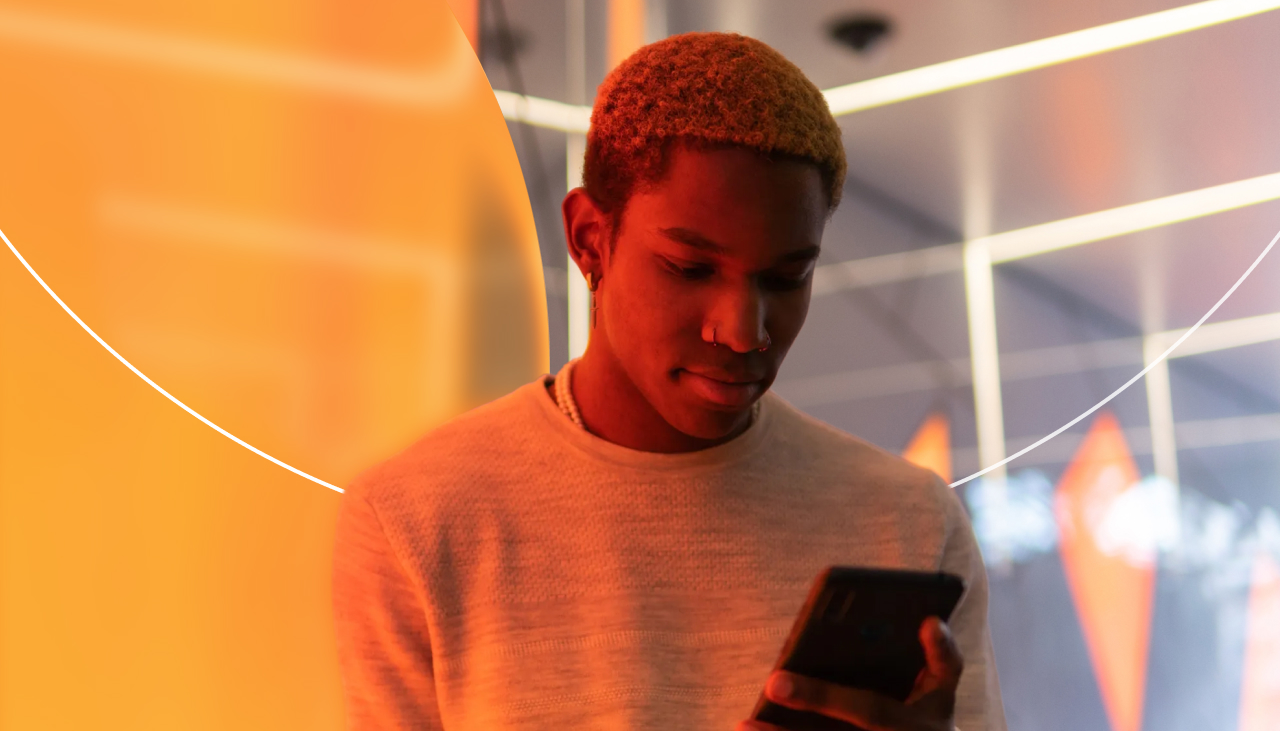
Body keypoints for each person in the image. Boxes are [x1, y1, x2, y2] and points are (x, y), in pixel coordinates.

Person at [332, 31, 1006, 731]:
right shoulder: (418, 523)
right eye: (690, 269)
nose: (742, 331)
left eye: (786, 278)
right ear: (589, 239)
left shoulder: (908, 522)